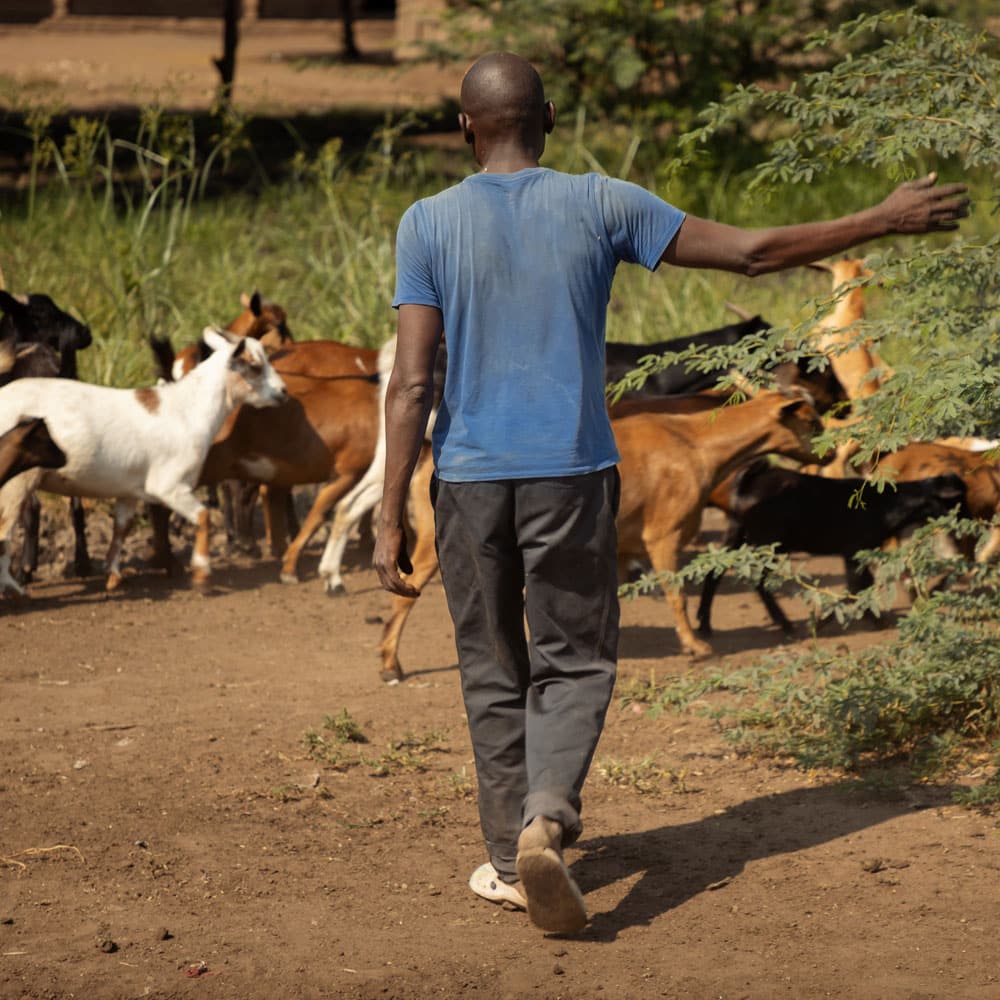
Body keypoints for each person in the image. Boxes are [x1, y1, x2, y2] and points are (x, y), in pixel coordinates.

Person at [373, 51, 968, 934]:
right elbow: (755, 255)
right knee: (574, 658)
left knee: (492, 666)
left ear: (466, 127)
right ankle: (547, 819)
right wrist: (879, 218)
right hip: (571, 475)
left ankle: (509, 858)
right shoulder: (602, 200)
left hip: (462, 481)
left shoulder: (426, 223)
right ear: (549, 118)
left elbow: (413, 385)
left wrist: (389, 512)